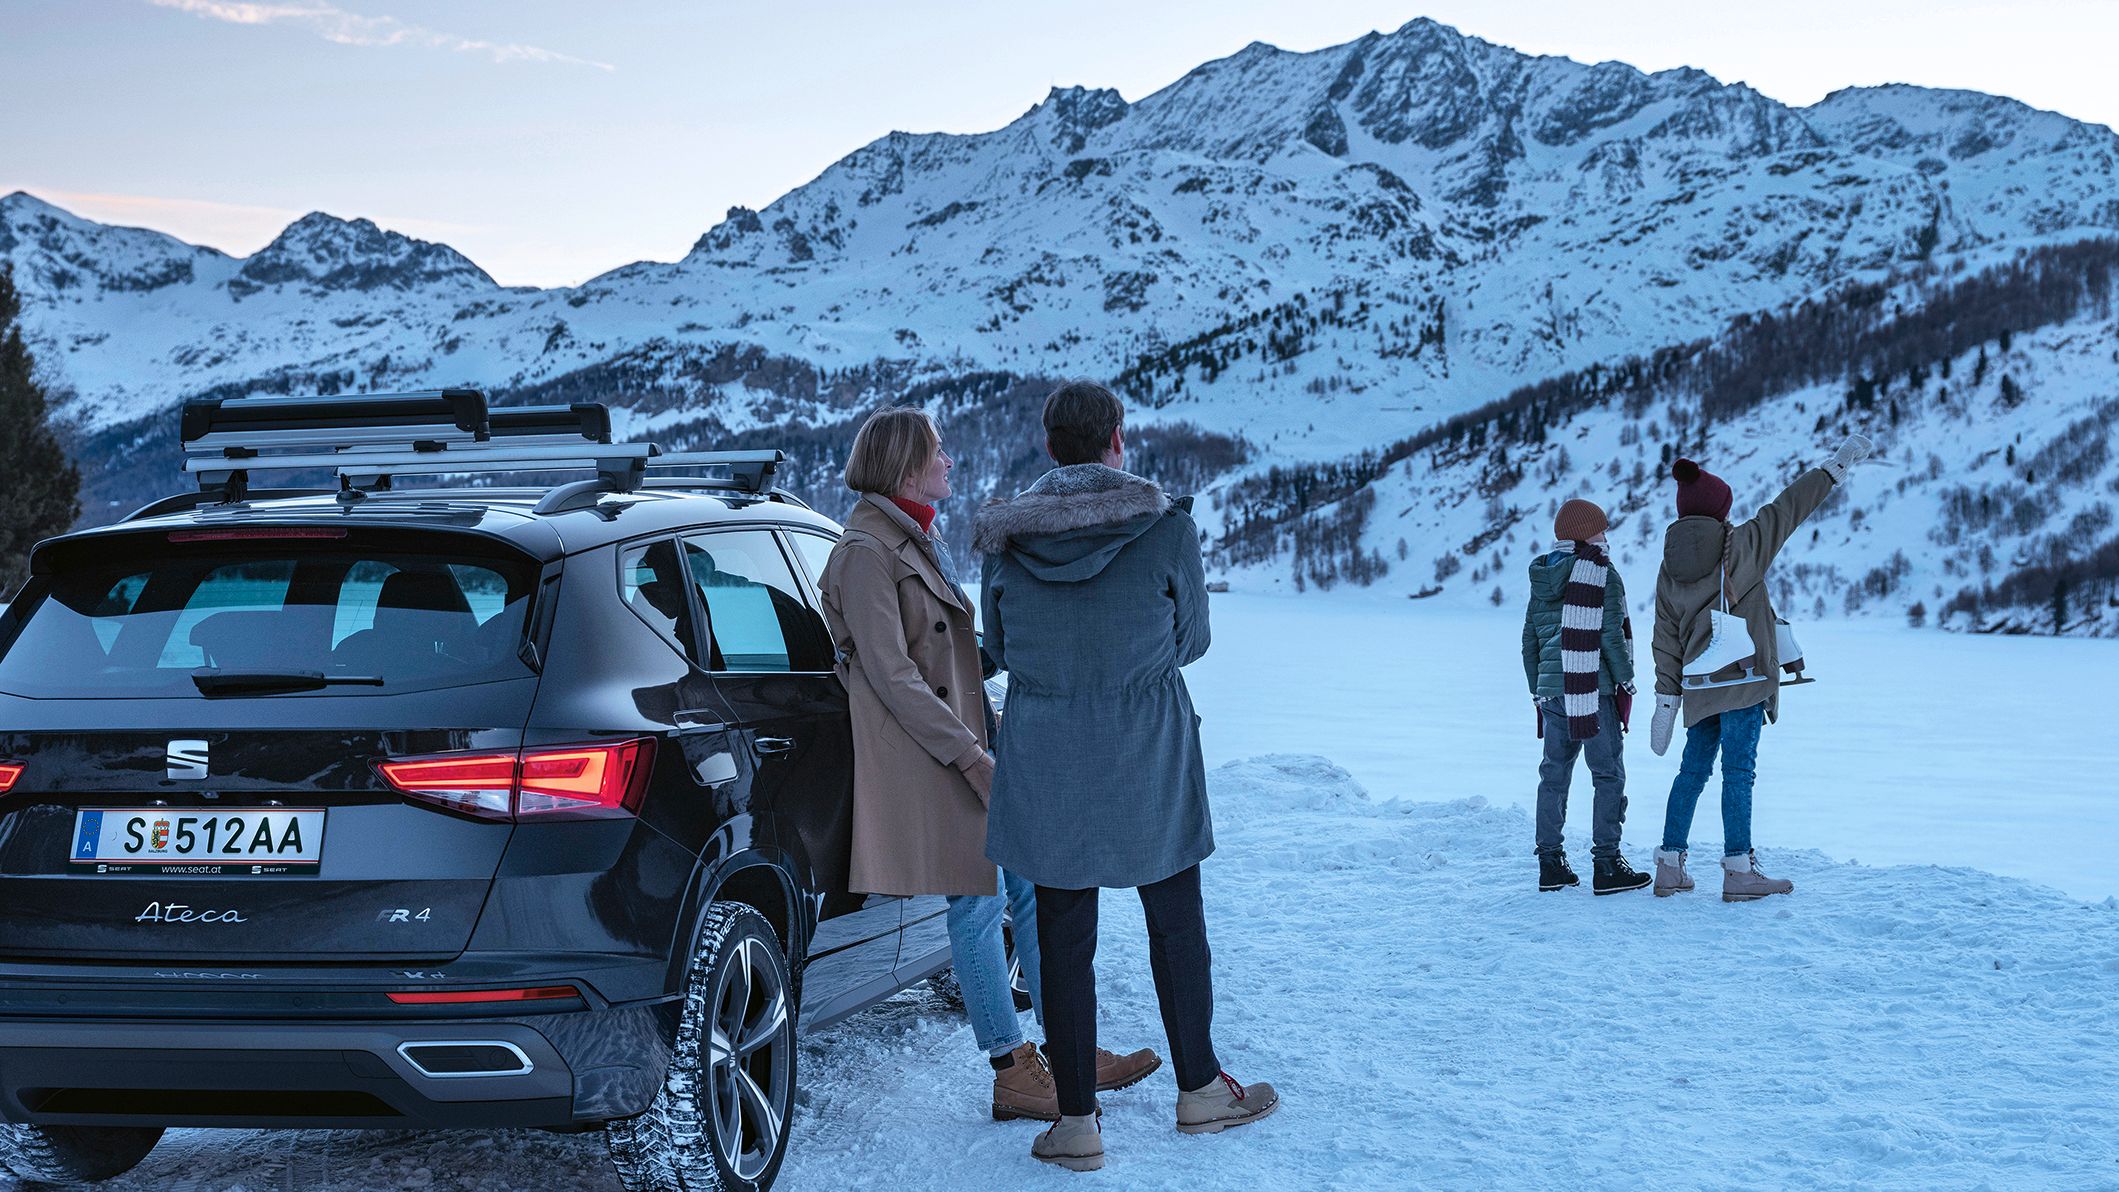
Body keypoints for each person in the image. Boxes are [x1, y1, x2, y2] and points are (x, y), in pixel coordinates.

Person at [816, 407, 1159, 1126]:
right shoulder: (864, 551)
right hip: (933, 756)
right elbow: (893, 676)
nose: (949, 462)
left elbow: (950, 654)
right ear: (905, 465)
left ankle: (1068, 1048)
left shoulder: (915, 536)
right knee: (975, 905)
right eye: (937, 451)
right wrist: (970, 757)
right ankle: (1011, 1069)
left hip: (969, 743)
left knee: (1026, 891)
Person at [974, 381, 1278, 1173]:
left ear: (1050, 447)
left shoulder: (1005, 540)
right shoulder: (1165, 529)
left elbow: (996, 648)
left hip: (1045, 751)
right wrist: (1128, 666)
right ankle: (1200, 1091)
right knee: (1175, 923)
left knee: (1061, 937)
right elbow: (1192, 640)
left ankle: (1076, 1121)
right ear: (1116, 441)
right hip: (1146, 745)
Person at [1647, 436, 1873, 901]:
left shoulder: (1668, 569)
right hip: (1745, 680)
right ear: (1720, 510)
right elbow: (1789, 507)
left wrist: (1666, 700)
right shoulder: (1744, 544)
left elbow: (1666, 639)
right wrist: (1833, 468)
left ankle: (1669, 865)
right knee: (1738, 773)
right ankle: (1738, 871)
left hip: (1699, 686)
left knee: (1692, 772)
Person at [1521, 498, 1651, 895]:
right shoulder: (1600, 572)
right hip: (1591, 688)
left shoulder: (1543, 574)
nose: (1606, 535)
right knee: (1607, 774)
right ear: (1585, 534)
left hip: (1552, 691)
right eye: (1600, 529)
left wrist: (1538, 687)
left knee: (1554, 775)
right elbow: (1610, 635)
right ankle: (1607, 864)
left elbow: (1530, 641)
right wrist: (1626, 678)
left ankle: (1550, 864)